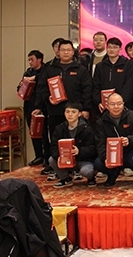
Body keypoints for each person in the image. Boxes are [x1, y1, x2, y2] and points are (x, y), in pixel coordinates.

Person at [32, 40, 92, 177]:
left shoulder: (81, 69)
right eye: (63, 50)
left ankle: (76, 168)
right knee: (55, 139)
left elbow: (87, 89)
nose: (66, 52)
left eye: (68, 50)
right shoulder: (49, 69)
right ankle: (58, 168)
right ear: (58, 52)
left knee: (78, 140)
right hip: (55, 111)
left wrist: (85, 109)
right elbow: (41, 87)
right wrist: (48, 98)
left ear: (73, 52)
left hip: (76, 113)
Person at [94, 93, 133, 186]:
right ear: (107, 105)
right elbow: (100, 143)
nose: (116, 107)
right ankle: (112, 174)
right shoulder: (101, 121)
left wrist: (129, 140)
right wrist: (105, 158)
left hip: (130, 151)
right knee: (98, 164)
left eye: (119, 104)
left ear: (123, 104)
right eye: (112, 104)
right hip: (111, 153)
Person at [48, 101, 97, 188]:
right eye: (67, 112)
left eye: (73, 112)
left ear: (79, 114)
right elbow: (53, 147)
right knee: (52, 160)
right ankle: (65, 178)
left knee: (87, 171)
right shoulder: (59, 128)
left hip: (83, 160)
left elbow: (93, 148)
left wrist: (79, 151)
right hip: (66, 159)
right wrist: (58, 156)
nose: (70, 115)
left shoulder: (87, 129)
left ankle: (91, 178)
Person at [18, 49, 46, 166]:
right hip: (29, 104)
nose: (30, 62)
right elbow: (19, 89)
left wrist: (35, 79)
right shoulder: (28, 72)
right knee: (33, 130)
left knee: (44, 131)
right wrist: (22, 85)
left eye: (32, 60)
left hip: (43, 105)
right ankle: (38, 155)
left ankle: (46, 156)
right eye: (29, 60)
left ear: (39, 60)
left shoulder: (45, 70)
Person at [93, 37, 133, 111]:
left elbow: (129, 85)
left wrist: (121, 102)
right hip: (104, 105)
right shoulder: (100, 66)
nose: (112, 50)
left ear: (120, 49)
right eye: (109, 47)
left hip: (124, 104)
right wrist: (98, 101)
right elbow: (96, 85)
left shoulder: (127, 64)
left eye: (115, 47)